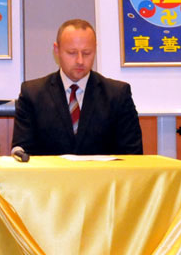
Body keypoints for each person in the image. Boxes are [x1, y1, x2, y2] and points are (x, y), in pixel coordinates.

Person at [12, 18, 143, 156]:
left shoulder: (117, 94)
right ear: (57, 50)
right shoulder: (33, 94)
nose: (80, 61)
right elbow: (22, 153)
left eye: (87, 53)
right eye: (72, 53)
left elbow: (133, 154)